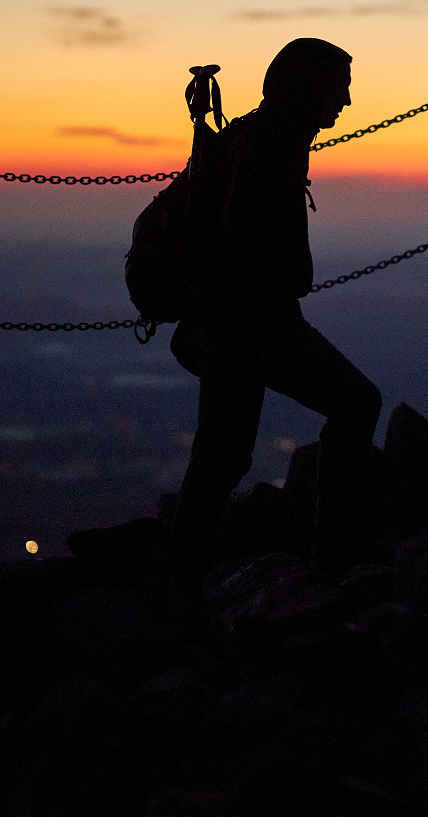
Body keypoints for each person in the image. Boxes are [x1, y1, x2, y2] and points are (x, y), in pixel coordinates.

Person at [166, 38, 381, 586]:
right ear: (308, 86)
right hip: (248, 321)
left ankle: (182, 580)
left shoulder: (252, 133)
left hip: (219, 320)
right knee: (356, 403)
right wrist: (283, 282)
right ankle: (334, 562)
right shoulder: (272, 143)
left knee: (221, 455)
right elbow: (245, 237)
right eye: (339, 87)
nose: (347, 102)